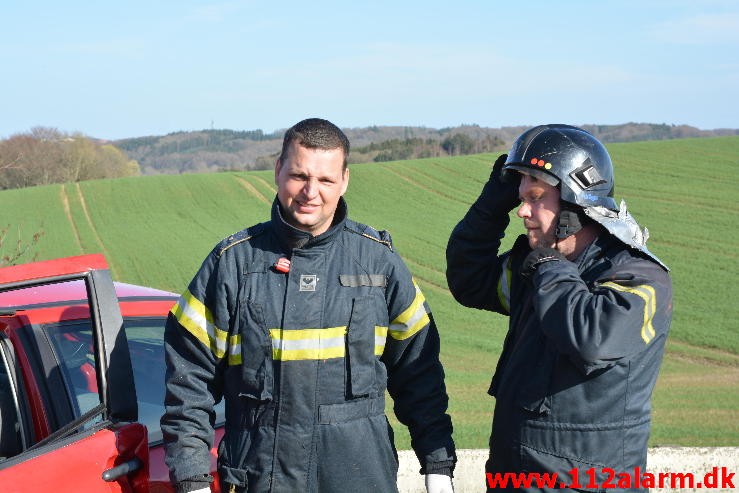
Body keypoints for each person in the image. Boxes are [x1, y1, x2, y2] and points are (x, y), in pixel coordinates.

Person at [161, 118, 456, 493]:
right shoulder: (232, 265)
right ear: (277, 170)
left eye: (326, 180)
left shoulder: (379, 266)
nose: (310, 192)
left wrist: (438, 466)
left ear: (345, 181)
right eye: (299, 175)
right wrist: (192, 477)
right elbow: (188, 384)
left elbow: (420, 375)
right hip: (259, 481)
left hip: (359, 479)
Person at [446, 124, 672, 492]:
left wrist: (548, 264)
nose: (523, 210)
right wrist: (492, 203)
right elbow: (470, 281)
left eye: (535, 197)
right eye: (520, 197)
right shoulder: (537, 270)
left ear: (573, 204)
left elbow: (593, 339)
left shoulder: (641, 278)